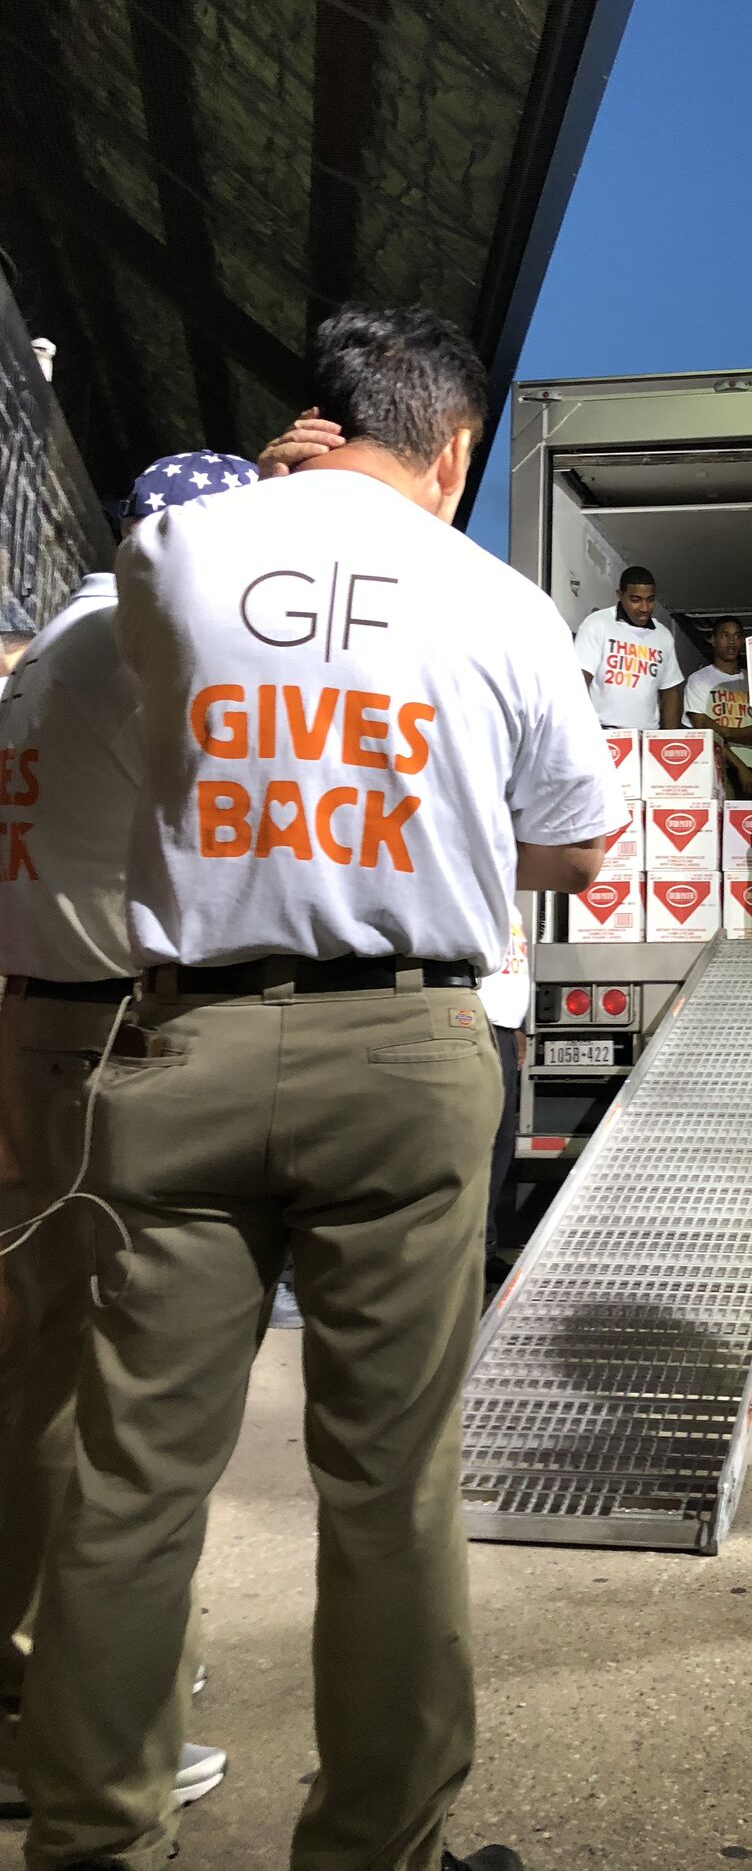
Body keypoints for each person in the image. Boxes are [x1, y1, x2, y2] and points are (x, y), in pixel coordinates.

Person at [21, 304, 620, 1871]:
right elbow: (578, 844)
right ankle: (377, 1845)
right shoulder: (498, 602)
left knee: (132, 1475)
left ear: (318, 423)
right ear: (457, 448)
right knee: (389, 1484)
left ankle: (93, 1838)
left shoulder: (174, 556)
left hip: (186, 1041)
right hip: (404, 1055)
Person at [0, 460, 256, 1823]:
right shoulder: (137, 653)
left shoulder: (50, 646)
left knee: (42, 1373)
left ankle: (42, 1678)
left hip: (37, 1024)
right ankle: (76, 1721)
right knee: (122, 1391)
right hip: (105, 1040)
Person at [480, 905, 530, 1296]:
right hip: (477, 1023)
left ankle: (485, 1249)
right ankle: (468, 1253)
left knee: (501, 1146)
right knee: (481, 1145)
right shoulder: (476, 888)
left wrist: (518, 1027)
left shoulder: (509, 902)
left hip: (503, 1025)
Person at [574, 565, 684, 730]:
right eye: (636, 600)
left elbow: (670, 691)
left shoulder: (663, 635)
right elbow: (579, 679)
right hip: (603, 732)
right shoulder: (598, 623)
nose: (644, 608)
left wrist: (669, 741)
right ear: (620, 595)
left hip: (646, 737)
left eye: (650, 599)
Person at [685, 614, 752, 795]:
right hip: (715, 769)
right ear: (713, 640)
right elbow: (703, 732)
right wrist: (740, 767)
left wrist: (725, 732)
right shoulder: (699, 680)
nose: (732, 641)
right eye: (725, 635)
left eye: (737, 636)